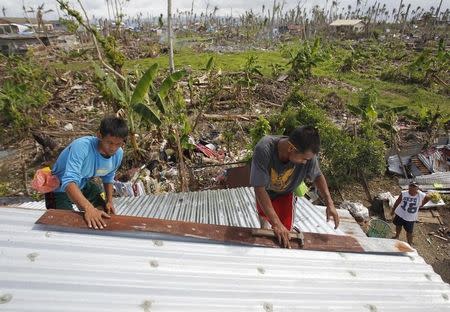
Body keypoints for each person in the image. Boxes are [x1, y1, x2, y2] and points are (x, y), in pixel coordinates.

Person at [250, 125, 340, 248]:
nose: (305, 162)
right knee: (265, 231)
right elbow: (259, 188)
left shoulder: (308, 156)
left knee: (285, 233)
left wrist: (330, 203)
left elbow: (317, 176)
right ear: (291, 148)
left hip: (286, 194)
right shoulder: (264, 149)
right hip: (265, 193)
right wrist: (276, 224)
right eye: (304, 159)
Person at [45, 116, 128, 230]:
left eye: (118, 144)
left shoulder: (118, 153)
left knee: (105, 215)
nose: (113, 148)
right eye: (109, 142)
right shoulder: (82, 147)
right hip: (59, 188)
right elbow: (68, 181)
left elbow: (108, 177)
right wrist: (88, 208)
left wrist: (109, 201)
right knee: (65, 225)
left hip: (83, 184)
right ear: (99, 135)